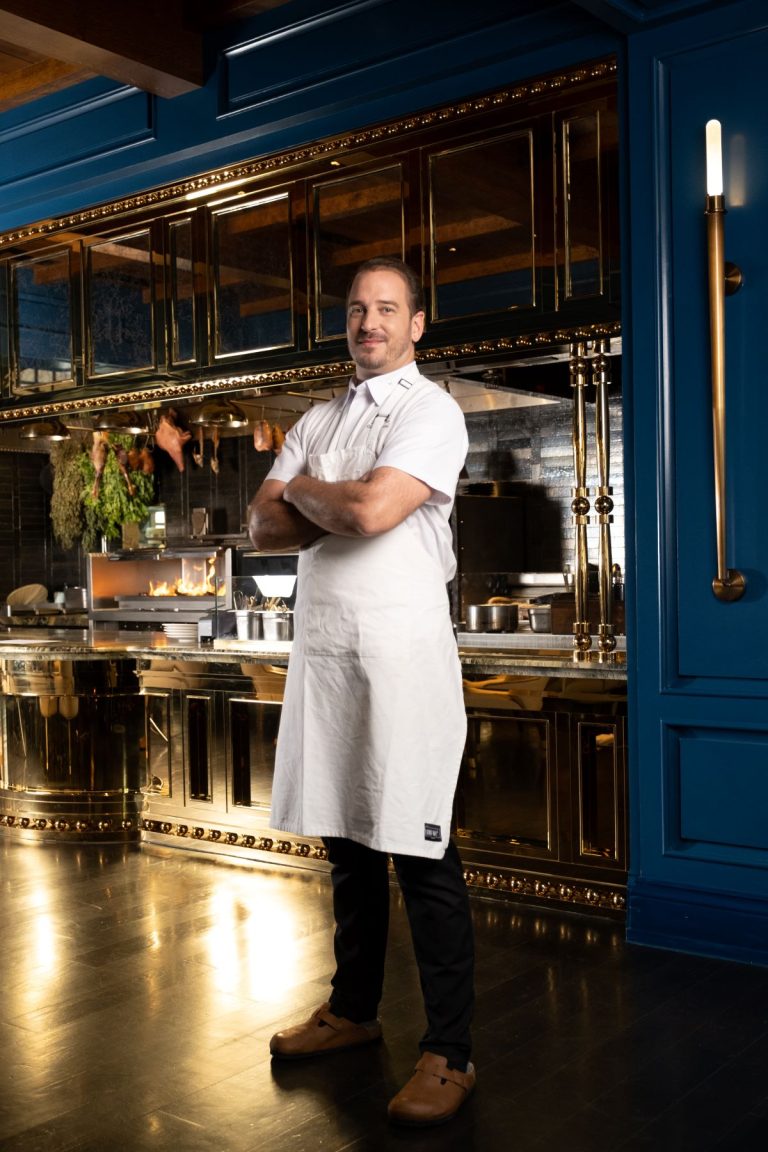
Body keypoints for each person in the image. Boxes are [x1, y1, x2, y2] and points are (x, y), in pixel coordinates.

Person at [247, 257, 475, 1127]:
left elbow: (373, 513)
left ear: (416, 325)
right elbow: (261, 527)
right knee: (346, 845)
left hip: (402, 662)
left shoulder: (431, 411)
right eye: (355, 309)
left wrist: (301, 488)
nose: (368, 322)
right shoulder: (318, 417)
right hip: (329, 660)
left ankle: (450, 1052)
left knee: (420, 854)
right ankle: (353, 1011)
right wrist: (330, 500)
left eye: (386, 308)